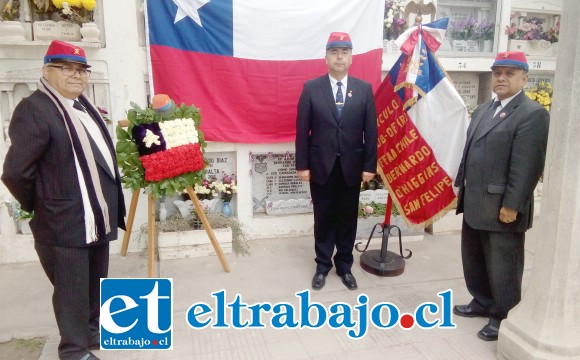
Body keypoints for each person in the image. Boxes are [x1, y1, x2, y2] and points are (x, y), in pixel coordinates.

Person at [1, 40, 126, 360]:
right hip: (64, 221)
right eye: (66, 68)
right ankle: (73, 351)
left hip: (96, 217)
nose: (76, 76)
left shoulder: (81, 106)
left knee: (95, 283)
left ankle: (91, 333)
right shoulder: (35, 108)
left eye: (82, 70)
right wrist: (45, 205)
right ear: (46, 70)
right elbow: (16, 172)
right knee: (71, 290)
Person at [454, 51, 550, 341]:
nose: (501, 78)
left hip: (501, 206)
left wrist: (512, 204)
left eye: (509, 73)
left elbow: (527, 166)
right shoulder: (484, 109)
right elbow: (470, 151)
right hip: (474, 200)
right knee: (474, 258)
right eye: (498, 72)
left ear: (524, 78)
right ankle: (482, 301)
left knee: (503, 265)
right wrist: (461, 186)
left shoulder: (532, 114)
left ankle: (502, 314)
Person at [295, 32, 377, 291]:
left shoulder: (363, 90)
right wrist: (302, 164)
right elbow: (302, 130)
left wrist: (369, 166)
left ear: (351, 57)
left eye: (344, 52)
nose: (339, 56)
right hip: (321, 166)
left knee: (347, 218)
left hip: (352, 168)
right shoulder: (311, 88)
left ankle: (344, 266)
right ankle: (322, 265)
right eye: (334, 52)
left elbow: (371, 131)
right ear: (326, 57)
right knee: (323, 217)